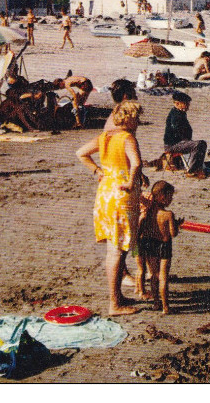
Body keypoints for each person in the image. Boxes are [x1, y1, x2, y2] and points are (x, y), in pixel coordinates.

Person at [76, 100, 145, 316]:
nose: (139, 122)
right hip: (121, 197)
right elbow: (136, 163)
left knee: (114, 249)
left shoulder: (106, 137)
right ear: (130, 118)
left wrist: (97, 171)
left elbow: (81, 153)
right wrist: (132, 181)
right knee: (117, 250)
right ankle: (114, 303)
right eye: (137, 117)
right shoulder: (127, 138)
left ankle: (117, 297)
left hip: (105, 195)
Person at [135, 180, 181, 314]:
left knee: (154, 275)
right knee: (163, 277)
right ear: (163, 197)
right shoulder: (168, 215)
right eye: (170, 196)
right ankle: (166, 307)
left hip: (150, 244)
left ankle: (156, 303)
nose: (171, 199)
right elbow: (173, 233)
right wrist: (177, 225)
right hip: (164, 246)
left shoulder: (148, 212)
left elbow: (143, 228)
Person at [163, 91, 207, 178]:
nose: (188, 106)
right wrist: (186, 141)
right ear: (177, 103)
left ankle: (196, 168)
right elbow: (177, 131)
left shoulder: (179, 113)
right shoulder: (175, 115)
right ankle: (192, 170)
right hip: (173, 145)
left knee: (200, 144)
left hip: (178, 142)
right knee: (199, 144)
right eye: (185, 104)